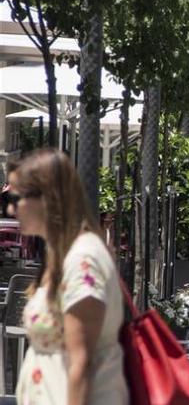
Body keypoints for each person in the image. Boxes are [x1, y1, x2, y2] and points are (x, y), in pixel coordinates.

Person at [11, 149, 129, 404]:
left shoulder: (83, 259)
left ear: (46, 198)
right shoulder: (63, 255)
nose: (11, 209)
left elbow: (81, 364)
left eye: (16, 198)